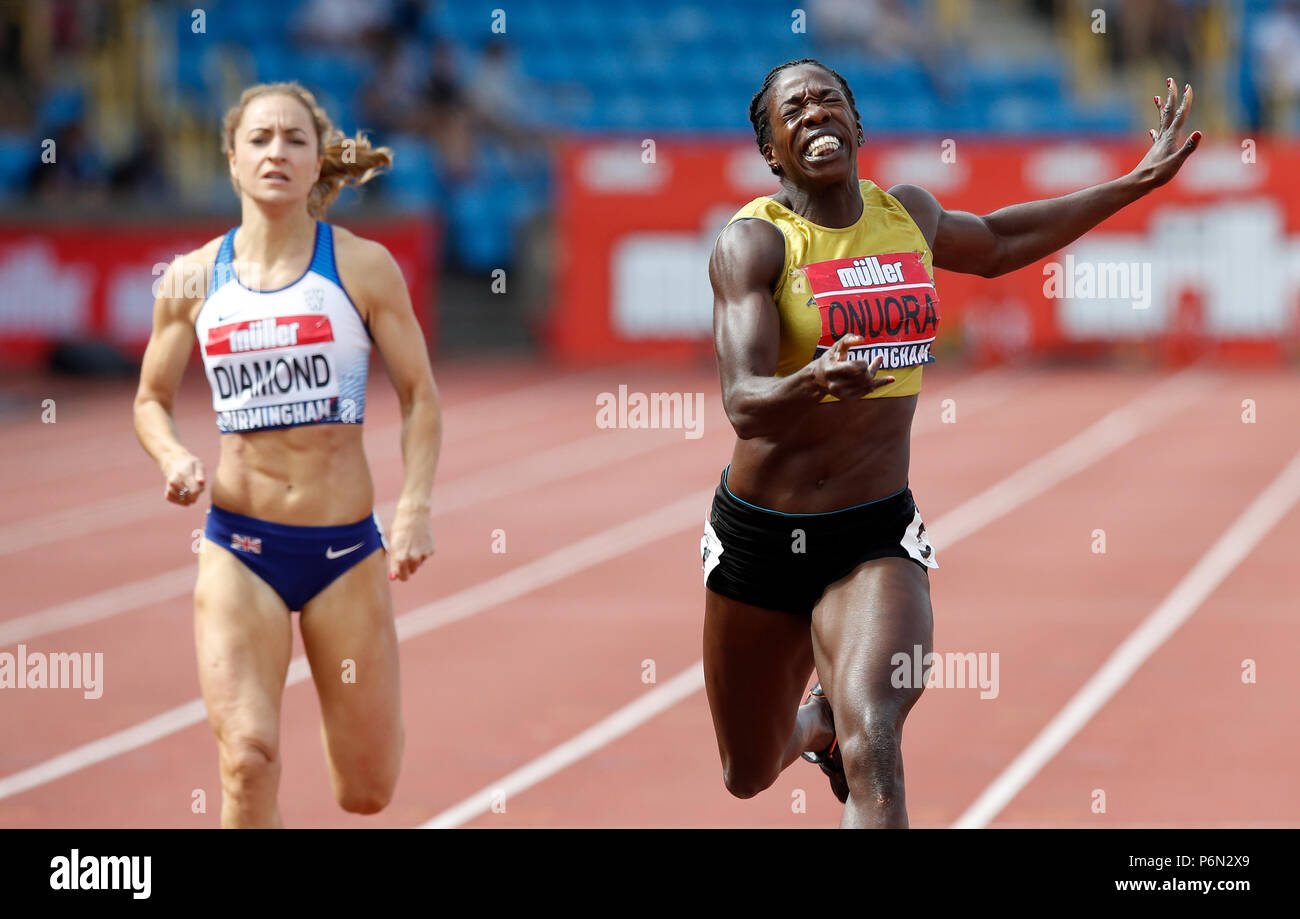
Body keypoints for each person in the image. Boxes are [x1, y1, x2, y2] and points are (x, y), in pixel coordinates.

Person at [702, 59, 1199, 827]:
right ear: (772, 149)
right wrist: (814, 380)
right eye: (792, 110)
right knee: (746, 769)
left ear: (857, 125)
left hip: (873, 531)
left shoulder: (907, 214)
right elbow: (743, 401)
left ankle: (847, 725)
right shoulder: (755, 245)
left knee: (876, 737)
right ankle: (813, 727)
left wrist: (1133, 183)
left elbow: (1001, 239)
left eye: (828, 101)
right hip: (763, 534)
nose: (814, 114)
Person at [133, 81, 441, 828]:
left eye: (294, 139)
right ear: (233, 162)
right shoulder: (192, 278)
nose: (277, 151)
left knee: (366, 790)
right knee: (247, 759)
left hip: (344, 552)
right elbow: (150, 399)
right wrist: (172, 456)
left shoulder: (363, 268)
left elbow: (420, 396)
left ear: (316, 163)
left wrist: (414, 510)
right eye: (260, 139)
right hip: (240, 547)